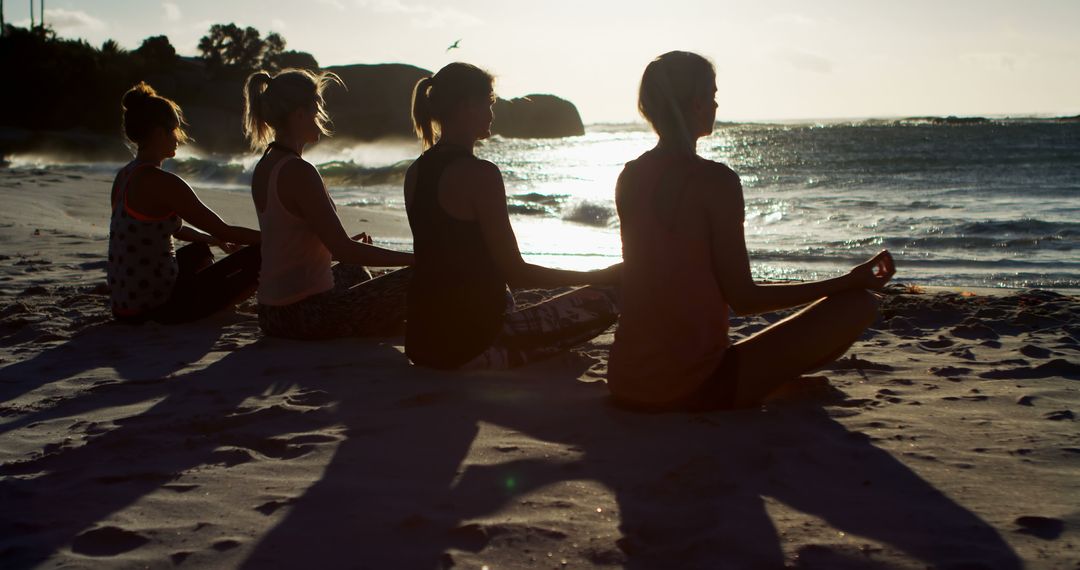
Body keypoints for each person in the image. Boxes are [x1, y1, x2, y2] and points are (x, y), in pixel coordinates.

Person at [608, 51, 896, 411]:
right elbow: (745, 299)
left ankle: (762, 382)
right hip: (689, 386)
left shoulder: (630, 176)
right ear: (696, 104)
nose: (716, 105)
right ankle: (759, 386)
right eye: (712, 96)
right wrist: (847, 282)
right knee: (858, 305)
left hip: (626, 380)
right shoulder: (716, 181)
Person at [404, 62, 620, 370]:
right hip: (469, 347)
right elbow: (518, 274)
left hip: (423, 341)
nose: (492, 113)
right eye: (488, 103)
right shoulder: (481, 174)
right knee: (613, 294)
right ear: (466, 105)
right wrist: (597, 276)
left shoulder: (416, 171)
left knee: (503, 297)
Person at [243, 68, 414, 339]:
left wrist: (330, 246)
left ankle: (384, 324)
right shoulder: (299, 171)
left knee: (355, 270)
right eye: (316, 109)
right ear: (299, 114)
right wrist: (417, 259)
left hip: (273, 311)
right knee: (416, 276)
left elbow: (290, 241)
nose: (321, 116)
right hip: (304, 315)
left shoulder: (267, 164)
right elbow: (345, 250)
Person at [107, 82, 261, 324]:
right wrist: (279, 238)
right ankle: (210, 311)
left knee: (199, 249)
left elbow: (169, 229)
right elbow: (225, 229)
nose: (180, 137)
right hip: (156, 308)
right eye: (174, 130)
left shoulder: (125, 176)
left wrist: (214, 240)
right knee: (262, 254)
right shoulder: (162, 182)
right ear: (159, 133)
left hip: (125, 305)